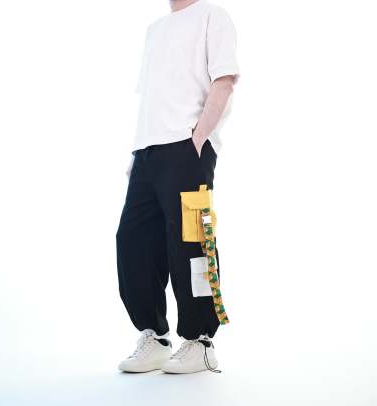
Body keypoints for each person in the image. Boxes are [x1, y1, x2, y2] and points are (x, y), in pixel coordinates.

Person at [115, 0, 240, 374]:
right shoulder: (155, 30)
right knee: (133, 241)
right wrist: (138, 151)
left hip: (186, 148)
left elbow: (224, 81)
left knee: (191, 243)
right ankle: (154, 338)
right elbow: (153, 97)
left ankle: (201, 342)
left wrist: (198, 139)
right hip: (147, 151)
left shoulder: (212, 15)